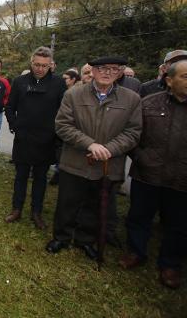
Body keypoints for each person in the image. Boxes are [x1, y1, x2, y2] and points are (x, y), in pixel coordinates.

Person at [46, 56, 142, 261]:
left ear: (120, 72)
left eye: (113, 69)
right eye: (102, 68)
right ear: (93, 70)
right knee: (67, 202)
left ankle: (85, 240)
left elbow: (133, 132)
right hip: (75, 161)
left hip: (107, 163)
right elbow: (63, 125)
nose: (107, 72)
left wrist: (109, 149)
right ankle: (61, 237)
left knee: (95, 205)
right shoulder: (73, 94)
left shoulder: (131, 99)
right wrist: (89, 144)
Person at [119, 60, 187, 289]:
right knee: (139, 216)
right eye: (185, 77)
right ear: (169, 80)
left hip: (181, 180)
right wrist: (140, 157)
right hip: (147, 175)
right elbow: (130, 136)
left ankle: (170, 264)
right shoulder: (147, 104)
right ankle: (136, 252)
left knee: (178, 223)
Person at [4, 47, 66, 230]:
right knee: (21, 176)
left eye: (44, 66)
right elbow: (9, 107)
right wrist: (14, 125)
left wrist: (55, 132)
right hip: (23, 137)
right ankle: (16, 209)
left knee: (40, 178)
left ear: (51, 65)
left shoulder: (58, 84)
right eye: (37, 65)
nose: (40, 69)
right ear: (31, 63)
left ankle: (36, 212)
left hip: (46, 139)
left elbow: (63, 111)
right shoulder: (20, 81)